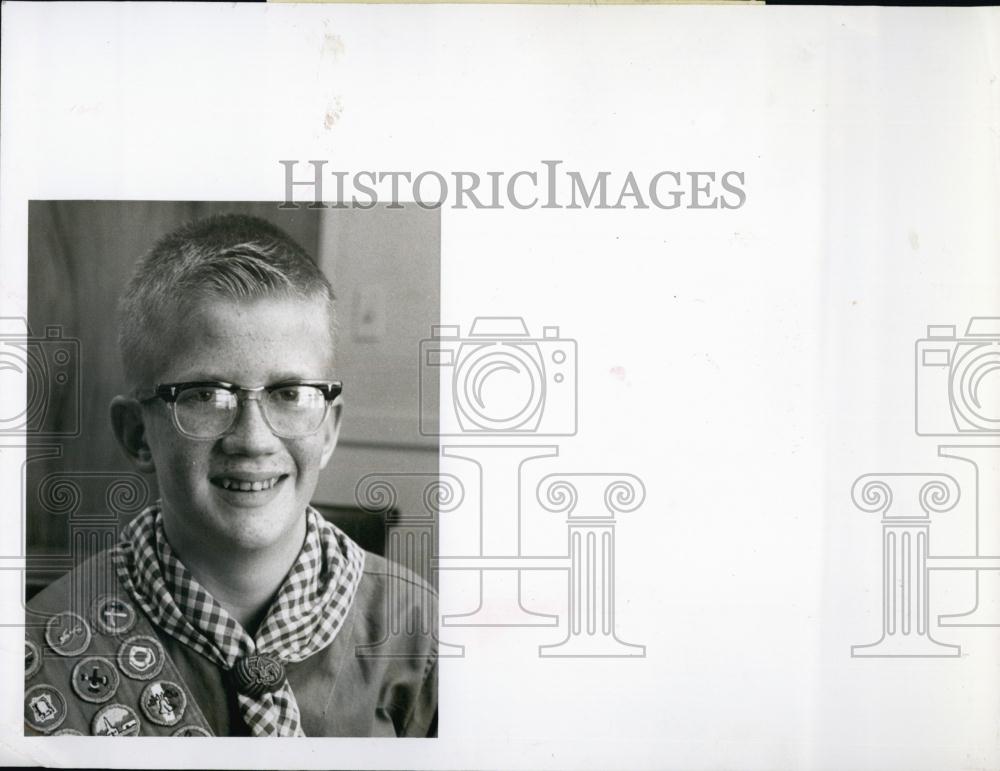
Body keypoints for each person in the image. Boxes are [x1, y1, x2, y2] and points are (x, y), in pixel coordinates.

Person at [24, 214, 437, 737]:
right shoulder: (43, 645)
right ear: (136, 434)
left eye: (289, 393)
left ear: (329, 429)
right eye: (205, 395)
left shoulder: (417, 630)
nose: (253, 438)